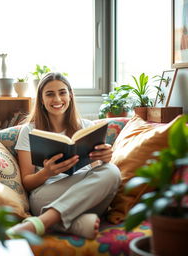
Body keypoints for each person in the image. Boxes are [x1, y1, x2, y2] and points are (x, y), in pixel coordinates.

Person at [7, 72, 121, 239]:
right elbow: (27, 183)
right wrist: (47, 173)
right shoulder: (29, 131)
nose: (57, 99)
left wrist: (104, 158)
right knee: (104, 179)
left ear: (70, 95)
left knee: (111, 171)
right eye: (50, 94)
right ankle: (61, 222)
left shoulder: (88, 127)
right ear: (41, 99)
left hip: (85, 194)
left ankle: (47, 223)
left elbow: (96, 175)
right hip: (46, 197)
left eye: (62, 92)